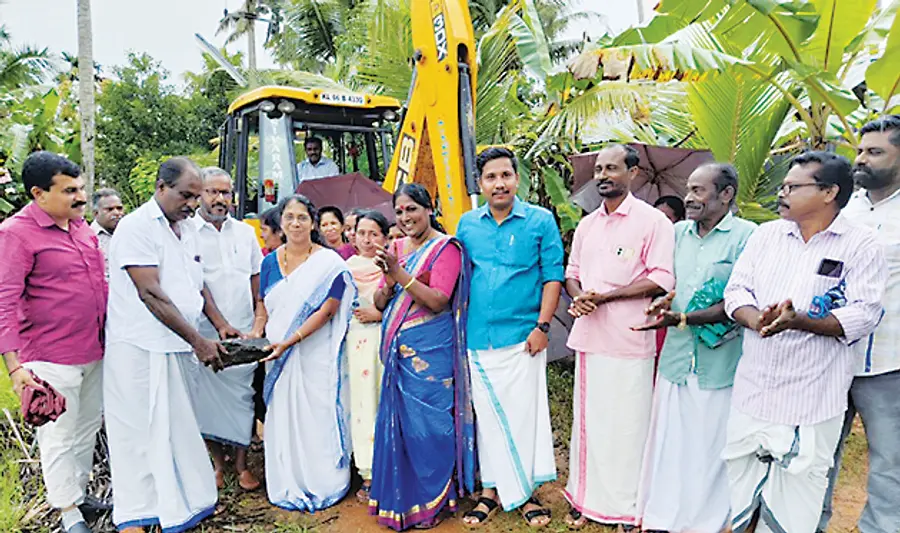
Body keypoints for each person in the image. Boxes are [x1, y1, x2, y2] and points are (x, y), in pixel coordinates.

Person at [723, 151, 887, 533]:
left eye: (793, 187)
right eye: (783, 186)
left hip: (812, 400)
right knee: (743, 500)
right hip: (754, 393)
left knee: (795, 508)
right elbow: (736, 291)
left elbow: (864, 314)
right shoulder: (765, 235)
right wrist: (756, 319)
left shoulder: (861, 245)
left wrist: (802, 322)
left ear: (829, 192)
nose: (783, 193)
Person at [104, 157, 241, 533]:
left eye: (197, 197)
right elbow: (150, 292)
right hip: (141, 350)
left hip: (178, 348)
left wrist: (220, 324)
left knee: (178, 429)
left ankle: (181, 507)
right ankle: (135, 518)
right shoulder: (136, 228)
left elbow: (197, 284)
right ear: (161, 188)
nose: (193, 204)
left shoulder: (188, 229)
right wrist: (198, 341)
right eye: (186, 195)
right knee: (139, 435)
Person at [633, 163, 756, 533]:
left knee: (709, 445)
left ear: (726, 195)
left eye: (700, 191)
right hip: (675, 357)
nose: (689, 197)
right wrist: (662, 303)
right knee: (672, 443)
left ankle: (705, 522)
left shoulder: (746, 236)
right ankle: (663, 518)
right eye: (689, 189)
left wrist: (683, 320)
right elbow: (668, 284)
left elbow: (737, 301)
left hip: (718, 359)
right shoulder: (678, 232)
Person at [563, 144, 675, 530]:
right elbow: (572, 271)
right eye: (598, 169)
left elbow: (661, 277)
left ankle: (628, 509)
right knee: (590, 425)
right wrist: (579, 298)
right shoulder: (587, 224)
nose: (603, 176)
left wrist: (607, 296)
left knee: (629, 428)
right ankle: (585, 500)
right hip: (591, 339)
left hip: (631, 338)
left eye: (612, 168)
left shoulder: (652, 222)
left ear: (633, 173)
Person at [0, 152, 107, 533]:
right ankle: (67, 513)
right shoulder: (16, 233)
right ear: (38, 193)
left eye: (80, 188)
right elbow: (4, 299)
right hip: (49, 355)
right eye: (69, 191)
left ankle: (77, 495)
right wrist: (14, 368)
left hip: (94, 349)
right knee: (59, 434)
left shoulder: (82, 228)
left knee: (86, 427)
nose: (80, 197)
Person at [456, 147, 562, 528]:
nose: (499, 183)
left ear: (517, 179)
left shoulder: (540, 221)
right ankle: (490, 492)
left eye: (505, 175)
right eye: (490, 177)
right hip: (478, 338)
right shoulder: (467, 225)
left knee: (523, 417)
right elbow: (460, 276)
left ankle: (527, 492)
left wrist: (543, 326)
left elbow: (553, 276)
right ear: (481, 184)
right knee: (487, 419)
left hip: (524, 337)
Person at [368, 183, 476, 530]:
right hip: (398, 353)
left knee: (432, 427)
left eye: (412, 209)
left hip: (431, 354)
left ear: (429, 209)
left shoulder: (445, 248)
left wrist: (399, 273)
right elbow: (380, 303)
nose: (405, 217)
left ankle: (437, 498)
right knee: (402, 429)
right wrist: (387, 280)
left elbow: (438, 300)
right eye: (399, 212)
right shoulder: (395, 246)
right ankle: (403, 498)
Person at [249, 195, 356, 512]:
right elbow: (262, 303)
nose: (295, 224)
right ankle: (288, 480)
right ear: (280, 223)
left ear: (313, 223)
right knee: (282, 413)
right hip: (276, 353)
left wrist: (292, 339)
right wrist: (257, 332)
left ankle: (325, 481)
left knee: (316, 412)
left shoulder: (329, 263)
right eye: (289, 217)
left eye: (302, 218)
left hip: (314, 352)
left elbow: (328, 310)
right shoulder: (269, 262)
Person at [819, 116, 900, 533]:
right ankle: (807, 523)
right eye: (860, 151)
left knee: (890, 460)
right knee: (818, 455)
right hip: (829, 354)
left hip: (889, 360)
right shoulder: (844, 209)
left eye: (874, 152)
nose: (860, 160)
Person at [185, 167, 263, 491]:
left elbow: (256, 277)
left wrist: (259, 318)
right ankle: (218, 465)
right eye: (212, 192)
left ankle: (243, 465)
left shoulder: (245, 232)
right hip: (203, 333)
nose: (220, 199)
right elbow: (195, 284)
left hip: (244, 331)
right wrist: (218, 325)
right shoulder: (186, 232)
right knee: (206, 400)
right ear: (200, 194)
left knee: (243, 399)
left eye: (226, 193)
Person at [345, 209, 389, 503]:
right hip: (356, 341)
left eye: (374, 233)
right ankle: (367, 472)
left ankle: (391, 468)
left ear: (385, 237)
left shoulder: (392, 265)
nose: (367, 239)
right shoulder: (345, 268)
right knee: (362, 404)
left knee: (385, 401)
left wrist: (380, 313)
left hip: (386, 339)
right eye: (362, 233)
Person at [90, 187, 125, 280]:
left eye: (119, 208)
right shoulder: (87, 238)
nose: (117, 213)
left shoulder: (129, 234)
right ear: (95, 213)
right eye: (109, 209)